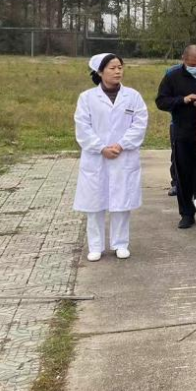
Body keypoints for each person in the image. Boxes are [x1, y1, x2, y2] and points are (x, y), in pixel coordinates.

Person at [73, 54, 148, 261]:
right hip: (96, 158)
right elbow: (83, 127)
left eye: (120, 67)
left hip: (123, 156)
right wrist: (101, 148)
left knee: (121, 203)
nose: (117, 71)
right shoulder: (87, 98)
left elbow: (139, 123)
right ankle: (95, 246)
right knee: (94, 205)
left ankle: (120, 243)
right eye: (112, 68)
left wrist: (121, 144)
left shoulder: (132, 96)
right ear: (100, 72)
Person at [155, 44, 196, 229]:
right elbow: (161, 101)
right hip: (183, 132)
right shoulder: (173, 76)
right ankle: (187, 213)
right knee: (184, 175)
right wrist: (183, 100)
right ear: (183, 60)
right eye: (192, 64)